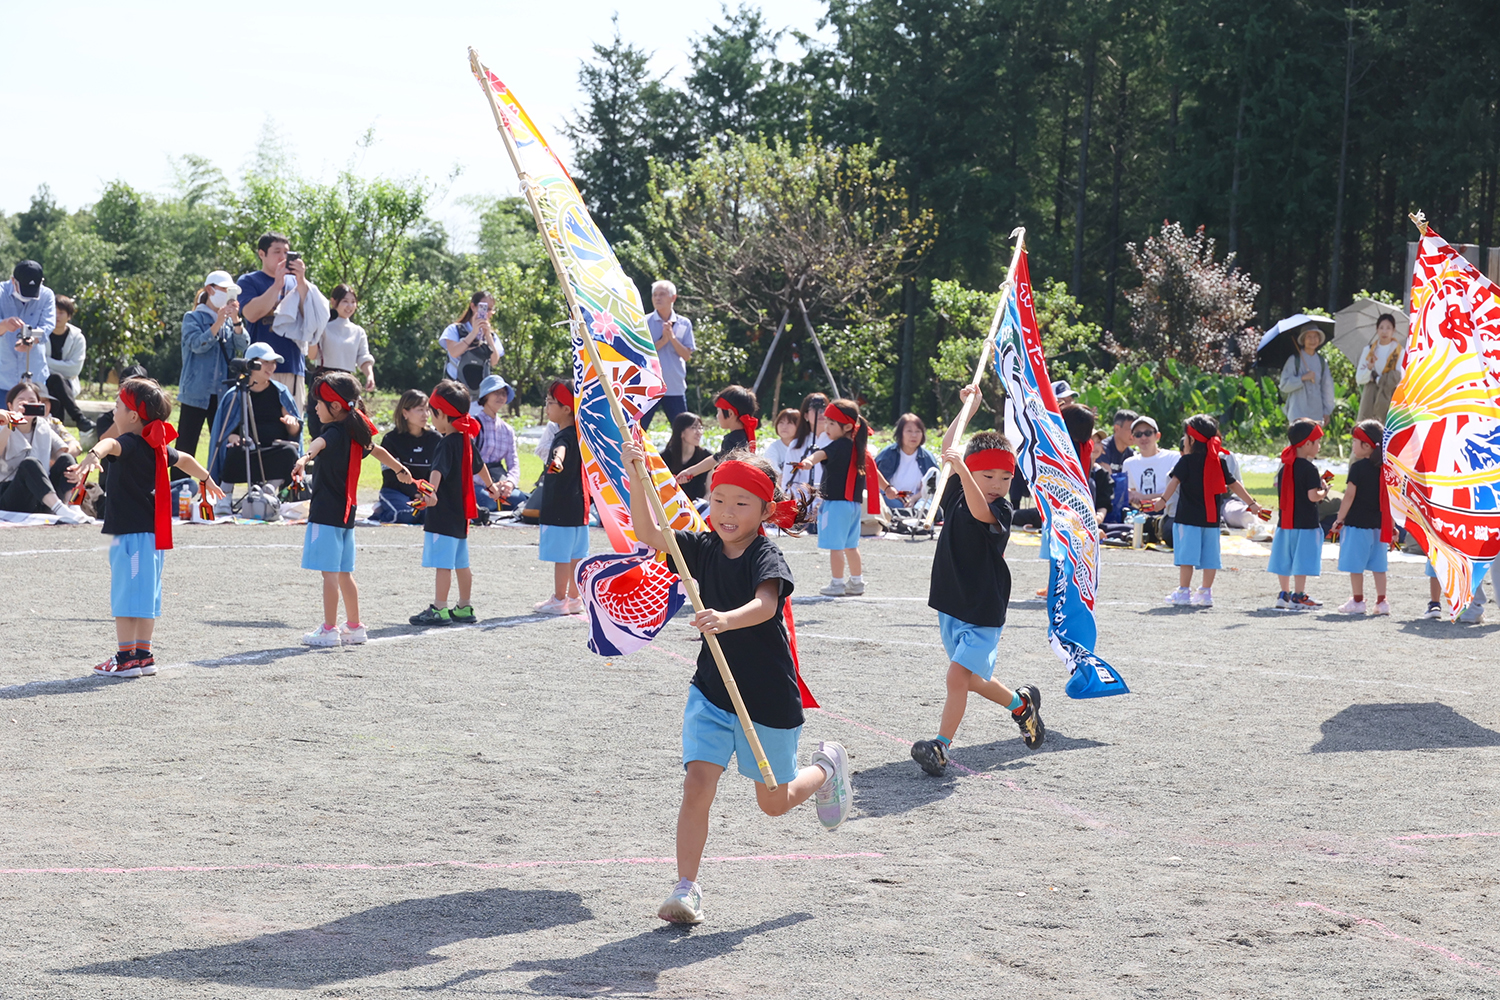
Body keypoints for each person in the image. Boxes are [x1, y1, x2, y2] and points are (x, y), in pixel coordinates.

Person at [617, 439, 851, 925]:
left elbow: (766, 605)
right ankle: (686, 888)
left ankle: (827, 768)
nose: (726, 511)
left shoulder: (766, 554)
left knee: (773, 804)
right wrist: (636, 474)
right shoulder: (699, 548)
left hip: (767, 696)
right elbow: (647, 530)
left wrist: (725, 618)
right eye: (719, 499)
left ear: (765, 510)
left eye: (741, 503)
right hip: (712, 690)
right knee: (697, 783)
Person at [910, 391, 1043, 776]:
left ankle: (940, 747)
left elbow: (980, 510)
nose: (998, 483)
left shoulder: (999, 507)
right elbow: (949, 448)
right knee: (971, 679)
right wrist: (968, 407)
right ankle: (1022, 705)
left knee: (957, 676)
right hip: (953, 601)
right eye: (989, 476)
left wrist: (965, 471)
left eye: (1006, 477)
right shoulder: (956, 488)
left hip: (983, 606)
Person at [66, 377, 223, 677]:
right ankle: (143, 655)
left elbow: (110, 443)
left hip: (130, 537)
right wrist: (206, 478)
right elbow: (186, 459)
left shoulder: (130, 443)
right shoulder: (156, 446)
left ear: (134, 416)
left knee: (126, 597)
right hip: (151, 537)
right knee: (146, 596)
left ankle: (126, 658)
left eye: (117, 406)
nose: (113, 411)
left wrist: (94, 453)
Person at [292, 372, 412, 647]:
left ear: (335, 406)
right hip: (347, 514)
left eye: (318, 403)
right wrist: (399, 468)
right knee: (344, 573)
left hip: (326, 513)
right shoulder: (354, 431)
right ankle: (355, 626)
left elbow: (319, 443)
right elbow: (376, 450)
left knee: (329, 574)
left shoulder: (333, 432)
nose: (315, 408)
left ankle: (329, 629)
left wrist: (304, 458)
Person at [409, 380, 503, 627]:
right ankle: (464, 606)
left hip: (443, 514)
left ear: (442, 414)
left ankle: (439, 608)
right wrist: (491, 487)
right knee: (462, 564)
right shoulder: (465, 439)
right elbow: (480, 466)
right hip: (461, 514)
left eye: (433, 413)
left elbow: (437, 471)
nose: (431, 419)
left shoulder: (446, 442)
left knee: (443, 565)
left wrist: (430, 493)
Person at [1157, 414, 1263, 607]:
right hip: (1212, 519)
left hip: (1188, 519)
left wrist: (1162, 501)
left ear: (1191, 440)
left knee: (1187, 558)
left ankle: (1183, 591)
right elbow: (1234, 484)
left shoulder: (1186, 461)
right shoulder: (1219, 461)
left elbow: (1174, 482)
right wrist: (1252, 503)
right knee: (1210, 558)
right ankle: (1205, 592)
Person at [795, 398, 877, 597]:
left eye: (832, 423)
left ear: (847, 426)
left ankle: (837, 583)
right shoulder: (858, 447)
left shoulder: (839, 445)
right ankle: (857, 582)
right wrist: (889, 489)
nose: (827, 427)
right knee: (851, 546)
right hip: (853, 506)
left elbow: (820, 454)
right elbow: (874, 472)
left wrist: (808, 461)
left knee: (836, 547)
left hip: (837, 504)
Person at [177, 271, 247, 472]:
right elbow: (197, 345)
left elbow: (243, 345)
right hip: (195, 392)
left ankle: (218, 484)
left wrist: (235, 320)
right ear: (210, 289)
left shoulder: (229, 322)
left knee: (222, 444)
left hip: (222, 393)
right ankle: (179, 486)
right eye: (224, 290)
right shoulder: (192, 318)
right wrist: (217, 323)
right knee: (186, 445)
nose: (228, 295)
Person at [206, 343, 302, 488]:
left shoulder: (280, 392)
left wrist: (292, 424)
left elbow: (294, 432)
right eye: (266, 362)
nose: (271, 367)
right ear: (251, 365)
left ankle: (269, 491)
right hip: (247, 454)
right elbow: (223, 432)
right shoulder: (235, 394)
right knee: (234, 452)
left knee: (289, 452)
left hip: (272, 452)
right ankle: (224, 496)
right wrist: (232, 437)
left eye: (273, 362)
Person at [237, 233, 314, 403]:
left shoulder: (297, 282)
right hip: (258, 367)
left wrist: (302, 281)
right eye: (277, 251)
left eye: (286, 252)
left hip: (292, 365)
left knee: (292, 417)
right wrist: (277, 284)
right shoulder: (249, 281)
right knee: (259, 417)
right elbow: (251, 314)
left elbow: (310, 318)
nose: (282, 257)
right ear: (262, 254)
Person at [534, 380, 587, 615]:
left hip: (561, 506)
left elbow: (560, 450)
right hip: (579, 505)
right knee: (576, 555)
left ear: (566, 408)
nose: (546, 407)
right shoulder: (581, 435)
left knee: (562, 557)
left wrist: (557, 461)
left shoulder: (563, 435)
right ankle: (574, 598)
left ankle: (559, 599)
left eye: (550, 403)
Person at [1, 381, 87, 521]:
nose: (26, 405)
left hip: (42, 496)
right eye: (21, 402)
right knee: (29, 463)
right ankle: (59, 508)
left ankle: (73, 505)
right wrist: (11, 423)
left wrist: (74, 471)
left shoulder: (43, 425)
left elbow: (62, 452)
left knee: (67, 459)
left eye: (31, 402)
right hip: (10, 495)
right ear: (10, 406)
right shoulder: (3, 425)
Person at [1269, 419, 1329, 610]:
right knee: (1301, 560)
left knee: (1284, 559)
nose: (1319, 446)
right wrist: (1324, 492)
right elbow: (1313, 496)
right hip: (1305, 524)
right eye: (1317, 442)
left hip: (1285, 523)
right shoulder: (1310, 469)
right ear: (1307, 444)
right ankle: (1299, 595)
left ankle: (1284, 594)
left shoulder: (1285, 467)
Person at [306, 284, 375, 441]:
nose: (349, 306)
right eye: (345, 301)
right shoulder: (324, 327)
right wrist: (313, 334)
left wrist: (369, 375)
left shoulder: (358, 331)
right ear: (333, 302)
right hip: (323, 380)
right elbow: (312, 355)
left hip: (346, 382)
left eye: (353, 302)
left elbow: (363, 357)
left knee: (346, 424)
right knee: (319, 424)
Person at [373, 389, 441, 524]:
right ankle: (380, 511)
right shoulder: (391, 439)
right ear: (405, 413)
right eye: (420, 410)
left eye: (427, 410)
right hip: (396, 491)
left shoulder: (435, 439)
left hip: (425, 494)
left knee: (431, 517)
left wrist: (426, 494)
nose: (425, 414)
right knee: (406, 516)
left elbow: (437, 471)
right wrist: (415, 493)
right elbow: (391, 476)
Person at [675, 385, 759, 484]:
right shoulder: (744, 436)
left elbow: (717, 462)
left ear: (730, 414)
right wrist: (690, 472)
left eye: (718, 411)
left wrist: (690, 472)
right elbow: (716, 458)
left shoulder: (731, 440)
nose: (717, 416)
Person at [643, 280, 695, 430]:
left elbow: (686, 355)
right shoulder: (644, 322)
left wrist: (672, 338)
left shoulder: (684, 323)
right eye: (654, 295)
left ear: (673, 298)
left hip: (674, 386)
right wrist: (662, 341)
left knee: (683, 432)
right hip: (648, 387)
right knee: (639, 430)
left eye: (662, 294)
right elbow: (642, 354)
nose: (657, 298)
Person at [0, 260, 55, 393]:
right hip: (3, 376)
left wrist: (32, 339)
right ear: (13, 280)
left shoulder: (47, 295)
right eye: (24, 288)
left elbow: (47, 325)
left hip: (35, 376)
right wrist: (4, 325)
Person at [471, 374, 524, 511]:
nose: (501, 397)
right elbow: (467, 462)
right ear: (485, 396)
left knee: (522, 501)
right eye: (496, 392)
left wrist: (509, 483)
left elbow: (513, 463)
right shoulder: (473, 425)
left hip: (499, 480)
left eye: (503, 393)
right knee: (488, 502)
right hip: (475, 482)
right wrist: (490, 485)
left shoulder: (507, 430)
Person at [45, 296, 91, 431]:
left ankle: (57, 432)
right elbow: (36, 362)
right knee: (55, 380)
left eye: (61, 312)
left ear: (69, 316)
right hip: (41, 382)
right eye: (54, 312)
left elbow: (74, 370)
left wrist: (46, 363)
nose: (57, 316)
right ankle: (79, 419)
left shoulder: (78, 338)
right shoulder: (41, 334)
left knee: (56, 381)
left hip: (67, 386)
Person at [876, 412, 939, 511]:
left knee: (925, 506)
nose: (914, 435)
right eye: (909, 431)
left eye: (918, 431)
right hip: (892, 497)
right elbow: (875, 481)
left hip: (918, 499)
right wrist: (898, 495)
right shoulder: (888, 454)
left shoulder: (927, 457)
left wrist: (913, 499)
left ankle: (916, 513)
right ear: (900, 433)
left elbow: (932, 488)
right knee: (887, 502)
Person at [440, 292, 502, 391]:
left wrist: (488, 336)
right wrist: (473, 333)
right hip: (454, 390)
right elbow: (454, 352)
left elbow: (494, 361)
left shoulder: (492, 336)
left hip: (479, 392)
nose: (487, 312)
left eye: (490, 309)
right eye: (484, 308)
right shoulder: (455, 329)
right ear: (473, 306)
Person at [1279, 325, 1336, 425]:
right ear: (1303, 340)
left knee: (1315, 436)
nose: (1312, 340)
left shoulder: (1322, 362)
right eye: (1309, 337)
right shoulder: (1294, 360)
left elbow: (1327, 388)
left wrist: (1327, 411)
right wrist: (1302, 378)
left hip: (1316, 414)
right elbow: (1284, 385)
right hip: (1297, 413)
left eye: (1315, 336)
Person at [1121, 416, 1179, 514]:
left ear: (1157, 436)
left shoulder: (1173, 457)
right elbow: (1133, 496)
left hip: (1169, 514)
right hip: (1142, 515)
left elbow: (1176, 493)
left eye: (1148, 433)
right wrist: (1134, 498)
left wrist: (1144, 497)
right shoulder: (1129, 463)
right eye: (1138, 434)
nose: (1143, 437)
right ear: (1133, 439)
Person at [1356, 314, 1404, 423]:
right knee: (1366, 427)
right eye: (1381, 327)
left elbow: (1399, 377)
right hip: (1370, 396)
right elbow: (1359, 378)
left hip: (1389, 396)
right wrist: (1369, 368)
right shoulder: (1369, 350)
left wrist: (1377, 379)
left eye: (1388, 328)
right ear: (1377, 330)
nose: (1384, 331)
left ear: (1393, 330)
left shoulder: (1399, 352)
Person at [783, 393, 830, 492]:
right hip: (803, 498)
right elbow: (789, 478)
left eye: (823, 408)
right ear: (806, 415)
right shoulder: (796, 445)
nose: (820, 412)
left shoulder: (836, 441)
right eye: (815, 408)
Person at [663, 411, 712, 501]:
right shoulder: (664, 458)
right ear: (681, 432)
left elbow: (709, 492)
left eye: (700, 428)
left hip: (698, 506)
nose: (699, 432)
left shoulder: (707, 457)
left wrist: (700, 506)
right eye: (694, 427)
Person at [761, 409, 803, 489]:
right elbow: (772, 470)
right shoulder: (774, 447)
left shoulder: (805, 447)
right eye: (781, 422)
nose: (784, 427)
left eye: (789, 423)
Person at [1097, 408, 1138, 473]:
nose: (1134, 434)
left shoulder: (1132, 454)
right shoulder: (1102, 449)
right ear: (1117, 428)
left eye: (1137, 430)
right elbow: (1106, 478)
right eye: (1131, 430)